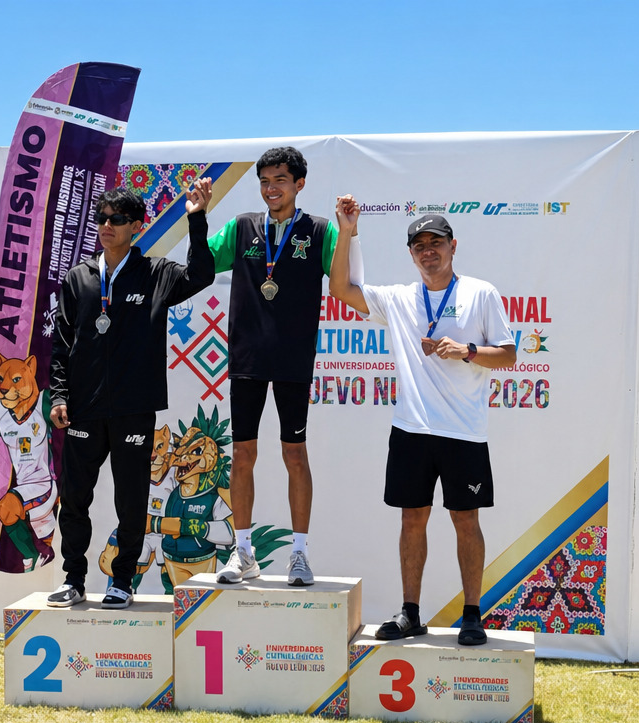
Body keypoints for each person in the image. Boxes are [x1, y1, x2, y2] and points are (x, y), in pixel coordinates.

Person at [328, 201, 516, 645]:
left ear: (453, 246)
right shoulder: (398, 299)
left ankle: (472, 615)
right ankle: (410, 613)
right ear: (411, 254)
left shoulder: (480, 294)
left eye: (436, 243)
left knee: (465, 521)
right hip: (411, 430)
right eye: (419, 245)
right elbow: (339, 288)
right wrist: (347, 232)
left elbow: (508, 355)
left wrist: (468, 351)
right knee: (412, 519)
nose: (428, 251)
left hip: (463, 432)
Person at [46, 181, 216, 609]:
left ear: (136, 226)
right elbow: (61, 344)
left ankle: (122, 581)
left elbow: (201, 275)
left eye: (117, 219)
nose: (106, 226)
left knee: (131, 500)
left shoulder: (155, 273)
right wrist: (59, 396)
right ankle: (73, 579)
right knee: (75, 499)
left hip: (133, 408)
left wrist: (196, 218)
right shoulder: (79, 278)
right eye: (101, 218)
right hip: (83, 409)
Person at [199, 146, 349, 587]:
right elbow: (203, 265)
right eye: (265, 181)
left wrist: (347, 232)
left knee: (294, 454)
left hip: (293, 360)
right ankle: (243, 552)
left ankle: (299, 554)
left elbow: (341, 283)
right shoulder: (242, 226)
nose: (271, 188)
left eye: (280, 180)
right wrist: (198, 216)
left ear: (299, 184)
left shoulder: (319, 230)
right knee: (243, 454)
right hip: (247, 359)